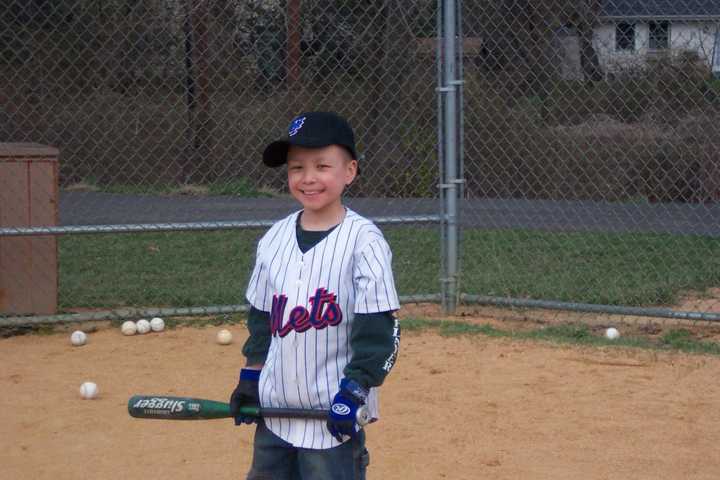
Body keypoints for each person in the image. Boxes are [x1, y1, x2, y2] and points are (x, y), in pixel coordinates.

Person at [230, 111, 401, 480]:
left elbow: (378, 332)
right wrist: (250, 377)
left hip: (332, 420)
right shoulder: (273, 239)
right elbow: (262, 321)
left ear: (349, 171)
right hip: (274, 416)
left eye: (322, 166)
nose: (308, 178)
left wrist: (356, 388)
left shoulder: (364, 242)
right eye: (296, 168)